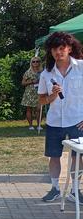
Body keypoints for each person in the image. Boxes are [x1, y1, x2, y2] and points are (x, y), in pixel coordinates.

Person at [38, 32, 83, 202]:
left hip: (77, 121)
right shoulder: (46, 74)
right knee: (54, 156)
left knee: (77, 157)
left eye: (62, 48)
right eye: (54, 49)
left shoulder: (81, 67)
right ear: (50, 52)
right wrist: (52, 97)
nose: (58, 52)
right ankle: (55, 188)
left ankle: (75, 190)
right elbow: (41, 99)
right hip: (54, 121)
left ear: (70, 48)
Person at [21, 56, 43, 130]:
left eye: (37, 61)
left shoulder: (42, 71)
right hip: (29, 92)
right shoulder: (28, 72)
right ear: (31, 63)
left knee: (39, 109)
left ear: (40, 62)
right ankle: (30, 125)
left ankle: (39, 125)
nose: (35, 63)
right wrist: (32, 82)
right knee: (29, 109)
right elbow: (23, 83)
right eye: (33, 61)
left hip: (39, 92)